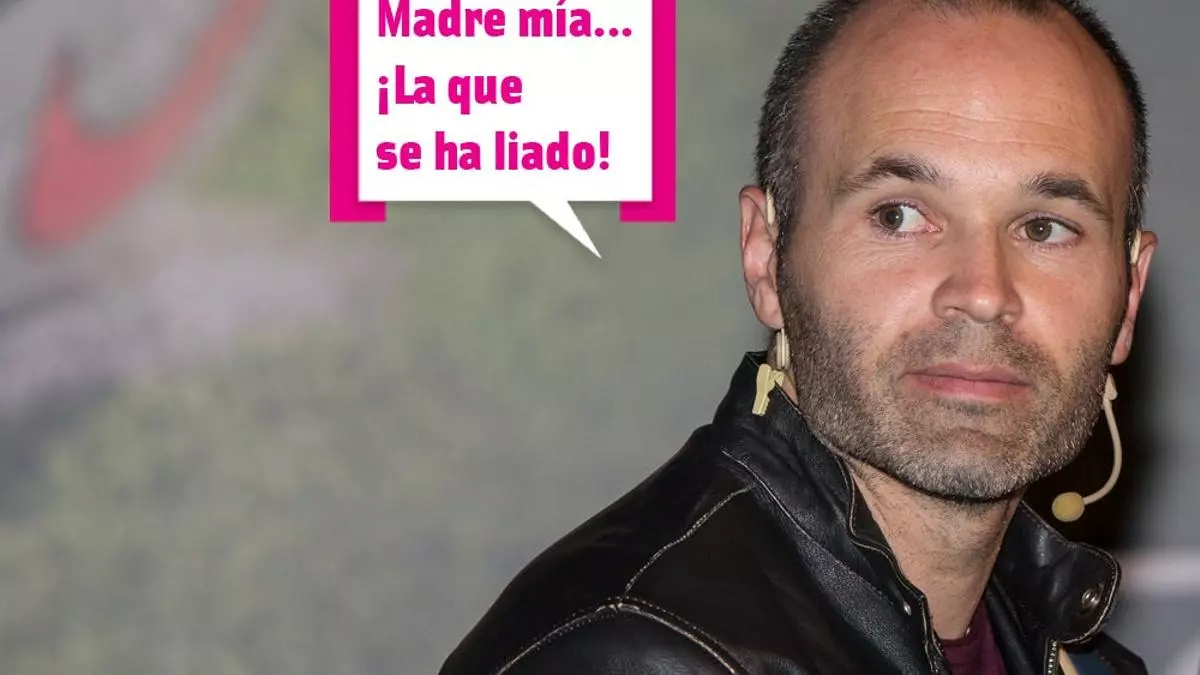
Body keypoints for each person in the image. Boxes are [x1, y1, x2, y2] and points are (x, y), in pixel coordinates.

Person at [439, 0, 1158, 672]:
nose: (983, 292)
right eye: (899, 216)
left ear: (1127, 296)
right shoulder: (639, 653)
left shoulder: (1074, 654)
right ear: (766, 257)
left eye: (1045, 228)